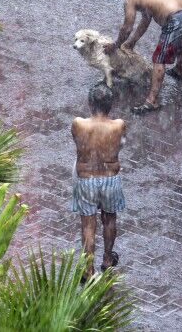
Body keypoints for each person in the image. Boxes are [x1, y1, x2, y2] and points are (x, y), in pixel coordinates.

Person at [104, 0, 182, 114]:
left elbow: (127, 28)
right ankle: (179, 69)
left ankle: (151, 101)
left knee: (159, 58)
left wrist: (116, 45)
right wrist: (131, 42)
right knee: (180, 40)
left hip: (176, 19)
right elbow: (146, 20)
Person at [71, 82, 126, 281]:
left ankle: (88, 269)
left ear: (90, 103)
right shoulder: (119, 125)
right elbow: (119, 146)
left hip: (86, 179)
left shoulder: (79, 124)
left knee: (88, 225)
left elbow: (77, 143)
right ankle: (107, 259)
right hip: (110, 179)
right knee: (110, 219)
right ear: (110, 105)